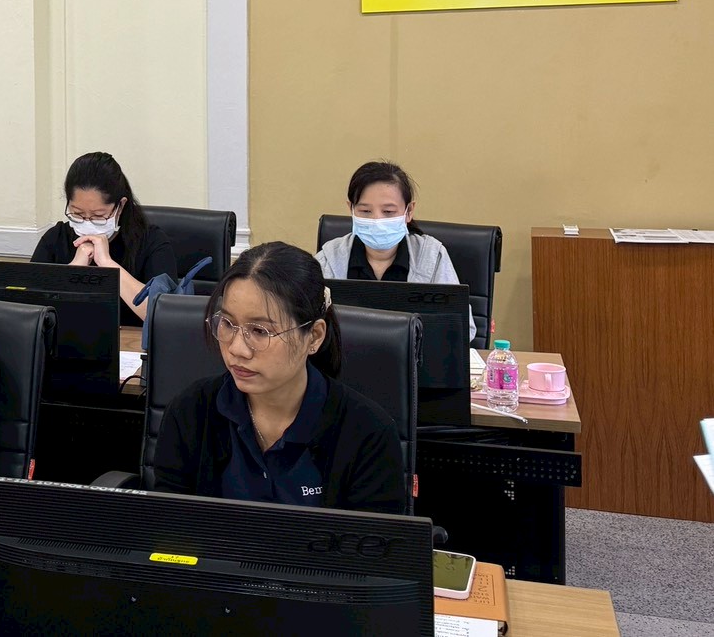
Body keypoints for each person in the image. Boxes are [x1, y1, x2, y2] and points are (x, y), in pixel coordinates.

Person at [151, 242, 407, 514]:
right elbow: (169, 524)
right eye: (227, 324)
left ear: (314, 336)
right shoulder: (191, 412)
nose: (237, 349)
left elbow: (372, 539)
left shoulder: (368, 433)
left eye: (260, 331)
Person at [316, 160, 475, 340]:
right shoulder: (328, 258)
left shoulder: (431, 256)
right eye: (365, 211)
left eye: (388, 212)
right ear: (351, 209)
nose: (377, 220)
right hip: (345, 356)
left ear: (409, 211)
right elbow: (308, 325)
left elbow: (463, 329)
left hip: (415, 357)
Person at [31, 152, 176, 321]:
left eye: (98, 216)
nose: (87, 223)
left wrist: (107, 263)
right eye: (77, 214)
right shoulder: (55, 239)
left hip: (130, 338)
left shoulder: (151, 241)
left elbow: (166, 315)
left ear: (120, 206)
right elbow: (29, 310)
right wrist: (73, 270)